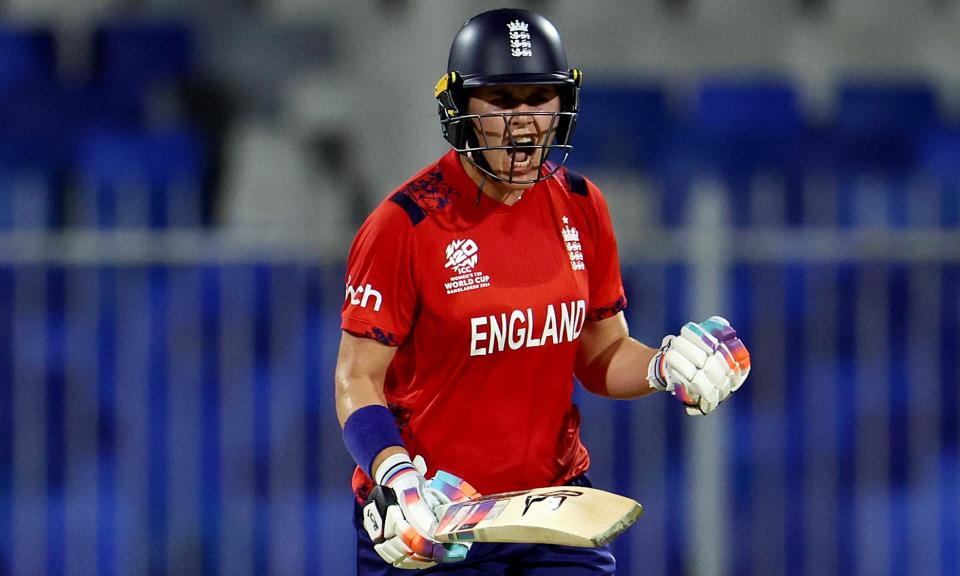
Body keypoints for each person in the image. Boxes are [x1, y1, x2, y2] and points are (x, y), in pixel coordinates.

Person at [335, 8, 751, 574]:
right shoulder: (403, 225)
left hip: (554, 509)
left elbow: (601, 353)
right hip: (434, 517)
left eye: (539, 98)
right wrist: (394, 474)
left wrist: (663, 367)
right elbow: (357, 377)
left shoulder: (582, 205)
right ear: (460, 108)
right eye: (502, 102)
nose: (524, 121)